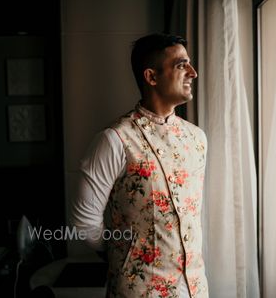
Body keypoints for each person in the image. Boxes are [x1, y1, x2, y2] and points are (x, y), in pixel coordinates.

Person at [71, 34, 209, 298]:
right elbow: (84, 223)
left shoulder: (197, 138)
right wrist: (121, 250)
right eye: (181, 65)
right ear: (151, 77)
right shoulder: (114, 140)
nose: (193, 72)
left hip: (195, 289)